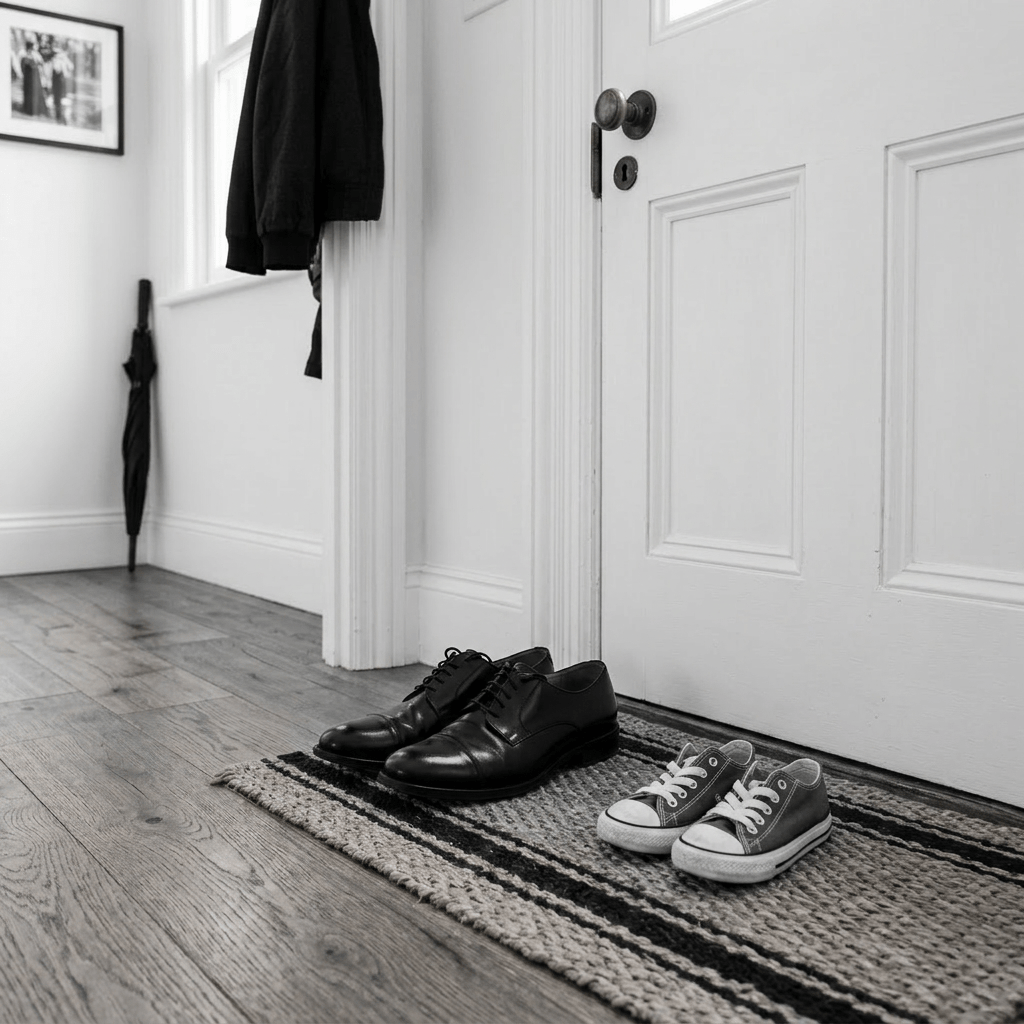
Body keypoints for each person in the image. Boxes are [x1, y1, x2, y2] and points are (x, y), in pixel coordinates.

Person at [19, 37, 46, 117]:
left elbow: (41, 63)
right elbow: (22, 64)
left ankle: (36, 111)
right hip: (27, 77)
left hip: (34, 76)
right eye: (28, 47)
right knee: (27, 91)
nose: (29, 48)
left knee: (35, 92)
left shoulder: (35, 54)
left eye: (30, 47)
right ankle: (27, 110)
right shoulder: (23, 54)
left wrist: (35, 65)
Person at [50, 45, 73, 124]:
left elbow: (70, 67)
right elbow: (56, 70)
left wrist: (64, 62)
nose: (57, 55)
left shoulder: (62, 60)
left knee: (60, 98)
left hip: (60, 80)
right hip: (57, 80)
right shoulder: (56, 60)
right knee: (57, 98)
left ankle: (62, 116)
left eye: (58, 53)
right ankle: (59, 115)